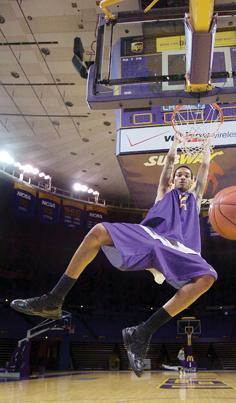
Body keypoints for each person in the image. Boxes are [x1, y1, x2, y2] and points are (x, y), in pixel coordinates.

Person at [10, 136, 218, 377]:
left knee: (208, 277)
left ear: (191, 182)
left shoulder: (195, 198)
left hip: (182, 249)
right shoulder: (164, 192)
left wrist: (206, 149)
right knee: (98, 232)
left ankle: (142, 332)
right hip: (151, 235)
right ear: (173, 180)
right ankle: (54, 300)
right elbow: (169, 162)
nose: (182, 176)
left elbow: (204, 170)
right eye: (179, 174)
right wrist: (175, 143)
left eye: (186, 175)